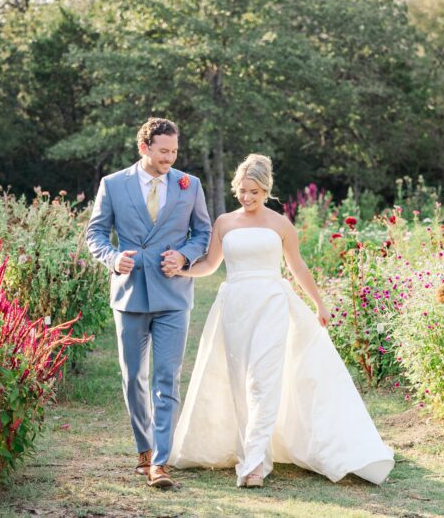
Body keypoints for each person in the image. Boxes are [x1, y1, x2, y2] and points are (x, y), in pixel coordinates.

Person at [168, 154, 394, 488]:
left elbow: (297, 267)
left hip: (271, 303)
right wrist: (183, 270)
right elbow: (211, 264)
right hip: (235, 307)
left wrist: (319, 303)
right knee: (240, 383)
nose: (247, 198)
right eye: (243, 191)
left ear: (266, 190)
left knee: (263, 380)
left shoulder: (279, 224)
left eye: (254, 192)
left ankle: (255, 464)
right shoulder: (224, 223)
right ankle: (251, 450)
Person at [85, 117, 212, 489]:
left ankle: (160, 461)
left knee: (166, 378)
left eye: (174, 152)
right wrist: (111, 258)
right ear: (144, 148)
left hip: (173, 296)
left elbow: (203, 232)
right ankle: (143, 452)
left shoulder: (191, 186)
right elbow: (95, 233)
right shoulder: (113, 185)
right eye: (163, 152)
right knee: (132, 378)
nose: (170, 159)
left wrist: (185, 257)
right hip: (129, 294)